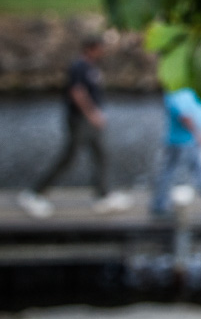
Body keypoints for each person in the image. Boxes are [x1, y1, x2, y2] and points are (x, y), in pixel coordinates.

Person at [20, 35, 131, 217]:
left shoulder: (90, 67)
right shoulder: (78, 67)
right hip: (80, 120)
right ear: (90, 48)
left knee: (101, 154)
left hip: (90, 120)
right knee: (69, 157)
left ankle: (103, 196)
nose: (102, 52)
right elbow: (77, 92)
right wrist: (92, 114)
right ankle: (35, 193)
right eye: (99, 48)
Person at [150, 84, 201, 217]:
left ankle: (159, 203)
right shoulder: (176, 91)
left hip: (181, 140)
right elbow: (184, 116)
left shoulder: (183, 88)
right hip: (184, 141)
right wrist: (198, 134)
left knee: (170, 171)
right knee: (199, 172)